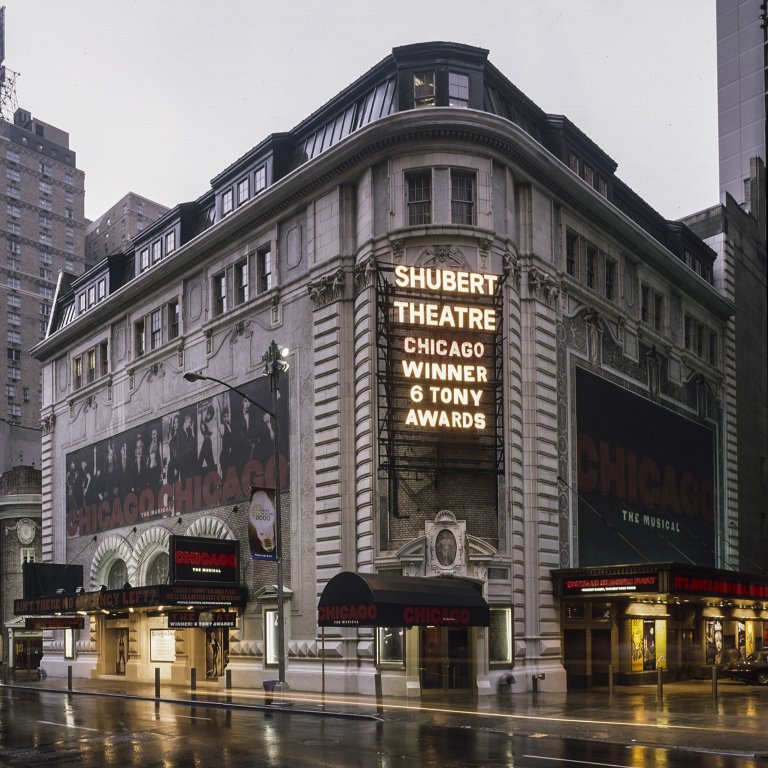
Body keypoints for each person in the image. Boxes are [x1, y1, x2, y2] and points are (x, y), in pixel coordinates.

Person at [198, 405, 216, 471]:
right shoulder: (205, 421)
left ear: (211, 416)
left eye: (209, 415)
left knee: (206, 461)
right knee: (205, 461)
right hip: (205, 442)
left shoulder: (212, 422)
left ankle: (214, 473)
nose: (208, 416)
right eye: (207, 414)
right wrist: (201, 416)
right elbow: (202, 430)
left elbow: (210, 432)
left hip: (208, 442)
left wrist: (204, 424)